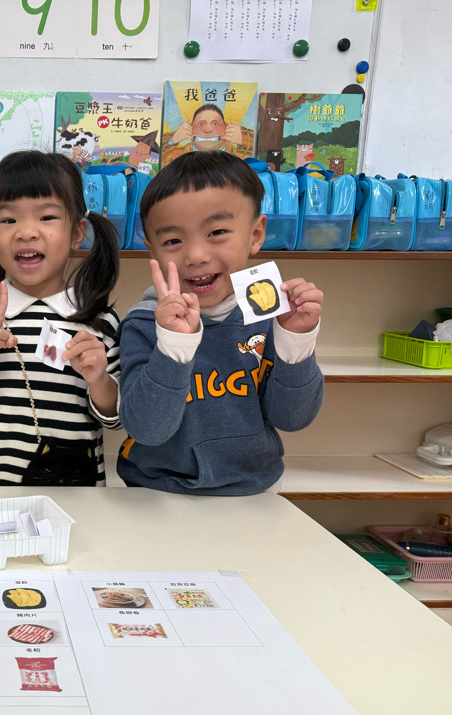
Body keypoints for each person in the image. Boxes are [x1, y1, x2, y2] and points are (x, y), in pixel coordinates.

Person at [117, 151, 324, 495]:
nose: (196, 255)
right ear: (152, 250)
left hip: (255, 490)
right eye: (173, 241)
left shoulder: (272, 316)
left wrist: (295, 341)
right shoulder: (143, 323)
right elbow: (147, 430)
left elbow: (292, 419)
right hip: (156, 492)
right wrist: (173, 345)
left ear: (255, 234)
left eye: (217, 232)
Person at [0, 150, 122, 486]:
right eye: (8, 220)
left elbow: (115, 418)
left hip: (78, 500)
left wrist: (99, 380)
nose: (26, 232)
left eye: (47, 217)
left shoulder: (100, 321)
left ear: (78, 232)